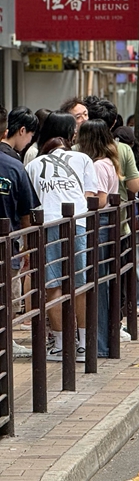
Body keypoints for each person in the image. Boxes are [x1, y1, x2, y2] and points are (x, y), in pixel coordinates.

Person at [25, 112, 97, 362]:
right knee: (80, 285)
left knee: (52, 285)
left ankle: (59, 344)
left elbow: (30, 203)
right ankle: (84, 344)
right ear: (69, 134)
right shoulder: (83, 159)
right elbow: (91, 197)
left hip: (47, 225)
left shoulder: (33, 164)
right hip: (76, 223)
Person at [77, 119, 127, 357]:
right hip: (108, 225)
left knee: (96, 284)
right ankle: (104, 342)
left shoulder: (97, 166)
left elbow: (100, 200)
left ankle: (98, 345)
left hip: (99, 225)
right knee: (102, 284)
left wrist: (81, 199)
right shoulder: (109, 162)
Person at [0, 106, 40, 359]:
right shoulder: (14, 166)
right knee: (7, 295)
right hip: (8, 243)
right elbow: (27, 212)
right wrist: (27, 246)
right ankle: (6, 341)